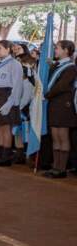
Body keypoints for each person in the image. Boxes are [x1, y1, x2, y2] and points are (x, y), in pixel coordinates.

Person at [43, 40, 77, 179]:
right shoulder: (56, 66)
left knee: (63, 137)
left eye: (57, 48)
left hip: (64, 106)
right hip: (54, 104)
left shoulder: (71, 67)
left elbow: (61, 86)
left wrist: (47, 94)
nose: (55, 50)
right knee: (55, 136)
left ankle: (61, 169)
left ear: (66, 51)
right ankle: (55, 166)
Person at [0, 40, 23, 167]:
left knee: (6, 128)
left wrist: (10, 104)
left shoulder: (15, 64)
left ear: (8, 50)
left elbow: (17, 86)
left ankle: (6, 157)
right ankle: (0, 155)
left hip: (6, 97)